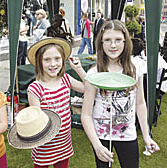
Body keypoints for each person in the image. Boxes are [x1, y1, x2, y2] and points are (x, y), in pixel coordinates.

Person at [81, 20, 160, 168]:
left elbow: (140, 103)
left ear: (125, 42)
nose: (113, 45)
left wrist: (147, 136)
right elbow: (85, 114)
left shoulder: (135, 67)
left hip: (127, 134)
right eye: (108, 40)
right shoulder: (94, 73)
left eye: (118, 40)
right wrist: (97, 145)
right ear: (101, 43)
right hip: (101, 136)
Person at [27, 37, 86, 168]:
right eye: (47, 60)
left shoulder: (65, 79)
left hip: (64, 143)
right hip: (45, 145)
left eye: (57, 58)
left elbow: (88, 89)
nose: (53, 64)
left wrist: (79, 69)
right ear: (39, 62)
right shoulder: (35, 89)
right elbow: (38, 121)